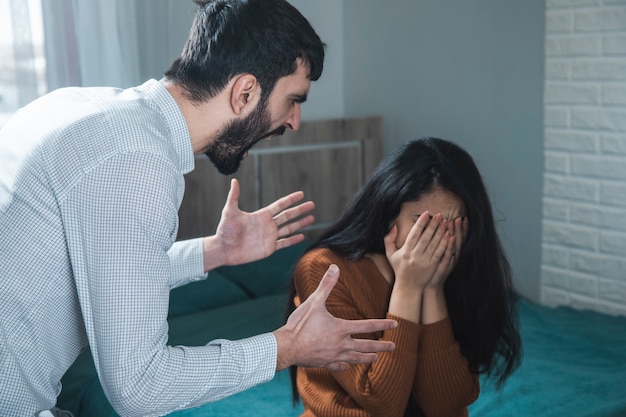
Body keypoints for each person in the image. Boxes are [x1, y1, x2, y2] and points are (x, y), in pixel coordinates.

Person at [0, 1, 398, 416]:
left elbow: (108, 274)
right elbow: (140, 388)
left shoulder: (78, 107)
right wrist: (286, 347)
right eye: (292, 100)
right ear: (245, 93)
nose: (294, 121)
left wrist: (215, 252)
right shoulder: (136, 159)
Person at [288, 137, 523, 417]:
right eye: (422, 221)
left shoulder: (460, 268)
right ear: (389, 213)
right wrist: (409, 287)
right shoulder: (324, 270)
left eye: (447, 224)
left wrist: (432, 289)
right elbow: (383, 403)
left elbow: (446, 406)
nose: (433, 238)